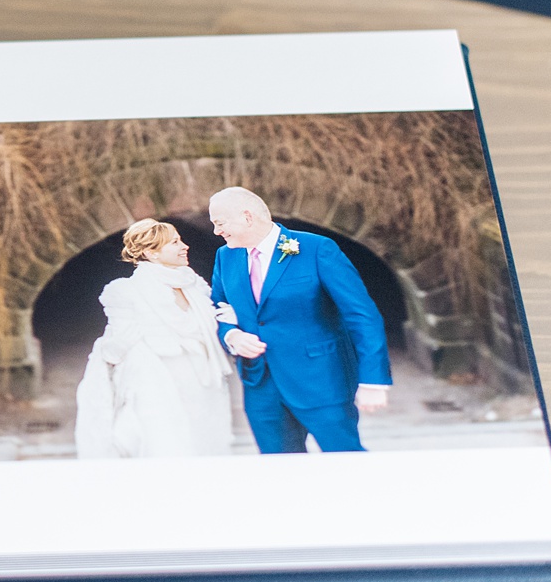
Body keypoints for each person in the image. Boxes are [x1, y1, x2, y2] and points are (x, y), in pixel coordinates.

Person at [207, 187, 391, 454]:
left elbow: (361, 314)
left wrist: (373, 380)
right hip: (261, 386)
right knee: (281, 471)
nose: (216, 232)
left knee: (346, 462)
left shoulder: (317, 249)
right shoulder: (226, 256)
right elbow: (217, 306)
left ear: (247, 217)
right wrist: (231, 335)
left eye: (220, 223)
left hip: (322, 380)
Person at [73, 219, 234, 458]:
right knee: (168, 453)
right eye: (175, 242)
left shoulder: (195, 286)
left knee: (208, 451)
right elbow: (115, 350)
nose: (185, 246)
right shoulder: (126, 292)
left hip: (204, 386)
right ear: (151, 253)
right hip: (160, 391)